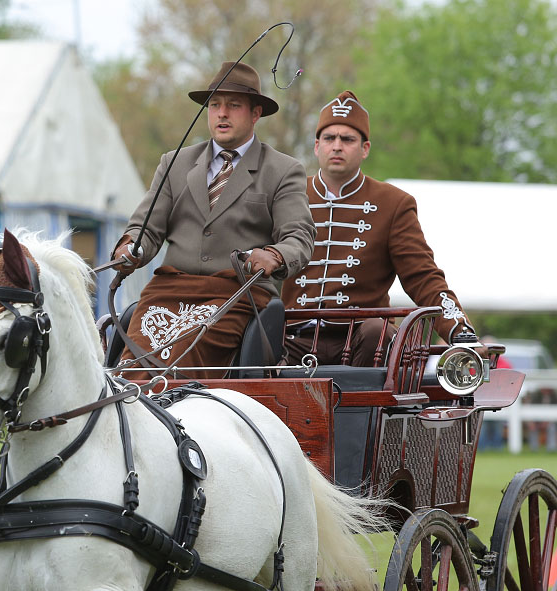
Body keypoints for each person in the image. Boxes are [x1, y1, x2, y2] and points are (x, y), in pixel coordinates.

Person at [111, 62, 315, 378]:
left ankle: (167, 420)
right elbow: (146, 228)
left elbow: (299, 236)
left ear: (256, 113)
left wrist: (274, 256)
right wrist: (130, 249)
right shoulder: (174, 162)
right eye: (215, 105)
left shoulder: (283, 170)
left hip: (235, 294)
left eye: (233, 105)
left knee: (178, 358)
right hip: (167, 291)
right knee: (131, 366)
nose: (221, 113)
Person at [282, 91, 478, 367]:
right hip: (292, 336)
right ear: (316, 146)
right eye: (329, 138)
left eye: (348, 139)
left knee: (378, 330)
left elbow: (422, 277)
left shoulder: (393, 203)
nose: (337, 146)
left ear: (365, 149)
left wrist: (459, 329)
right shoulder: (287, 194)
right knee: (256, 335)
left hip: (362, 340)